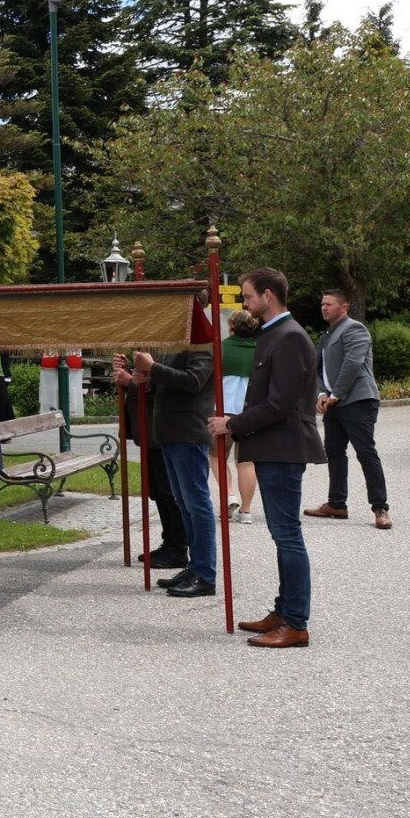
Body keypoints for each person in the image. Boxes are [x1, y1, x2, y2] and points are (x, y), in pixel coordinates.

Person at [209, 268, 326, 649]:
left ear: (269, 294)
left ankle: (295, 622)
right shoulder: (274, 334)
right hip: (273, 446)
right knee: (282, 535)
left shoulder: (289, 337)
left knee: (288, 535)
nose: (244, 303)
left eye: (247, 296)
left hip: (283, 447)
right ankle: (284, 610)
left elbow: (280, 404)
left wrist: (232, 424)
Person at [128, 345, 216, 598]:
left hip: (188, 432)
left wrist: (153, 367)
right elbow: (163, 385)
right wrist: (144, 379)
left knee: (196, 504)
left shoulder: (201, 343)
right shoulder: (174, 344)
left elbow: (193, 381)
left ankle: (205, 573)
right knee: (184, 502)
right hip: (169, 433)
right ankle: (194, 567)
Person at [308, 289, 389, 529]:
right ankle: (337, 504)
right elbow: (319, 370)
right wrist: (322, 394)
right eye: (322, 304)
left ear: (344, 307)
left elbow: (352, 364)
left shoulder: (355, 329)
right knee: (333, 452)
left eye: (329, 304)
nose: (324, 308)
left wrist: (335, 395)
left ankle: (380, 508)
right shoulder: (327, 334)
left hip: (358, 401)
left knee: (366, 453)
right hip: (334, 403)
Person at [220, 311, 260, 523]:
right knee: (246, 462)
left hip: (224, 411)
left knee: (217, 456)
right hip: (250, 411)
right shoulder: (260, 349)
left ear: (232, 326)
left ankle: (229, 496)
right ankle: (246, 511)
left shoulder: (221, 348)